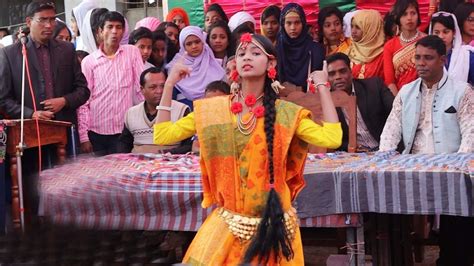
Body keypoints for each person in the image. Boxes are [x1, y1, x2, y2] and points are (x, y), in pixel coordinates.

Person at [153, 32, 341, 264]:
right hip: (229, 227)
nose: (246, 57)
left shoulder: (285, 114)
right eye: (241, 53)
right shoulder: (213, 112)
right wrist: (169, 83)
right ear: (234, 64)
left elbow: (332, 138)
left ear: (271, 63)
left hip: (274, 229)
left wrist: (322, 85)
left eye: (255, 53)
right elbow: (162, 135)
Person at [379, 35, 473, 266]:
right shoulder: (406, 92)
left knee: (460, 205)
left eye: (428, 58)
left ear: (442, 60)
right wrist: (384, 159)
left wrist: (456, 170)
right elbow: (391, 130)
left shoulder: (463, 91)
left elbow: (470, 134)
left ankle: (452, 260)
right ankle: (396, 259)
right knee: (385, 204)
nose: (421, 63)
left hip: (452, 167)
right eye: (418, 57)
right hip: (414, 167)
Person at [0, 0, 89, 150]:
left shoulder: (67, 50)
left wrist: (64, 101)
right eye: (42, 20)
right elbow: (3, 99)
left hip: (63, 132)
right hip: (28, 134)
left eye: (52, 19)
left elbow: (83, 91)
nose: (49, 25)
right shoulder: (10, 54)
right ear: (29, 22)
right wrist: (31, 114)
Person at [78, 11, 144, 156]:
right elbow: (84, 101)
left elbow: (141, 88)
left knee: (122, 174)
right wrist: (83, 136)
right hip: (96, 131)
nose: (114, 31)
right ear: (100, 31)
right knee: (98, 175)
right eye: (110, 27)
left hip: (123, 130)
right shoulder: (89, 62)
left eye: (119, 27)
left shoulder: (132, 53)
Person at [327, 53, 394, 152]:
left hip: (386, 149)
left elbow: (396, 114)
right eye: (332, 74)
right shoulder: (327, 102)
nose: (338, 77)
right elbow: (331, 138)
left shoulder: (374, 86)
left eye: (342, 71)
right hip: (356, 156)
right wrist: (350, 146)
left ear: (350, 72)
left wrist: (387, 146)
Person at [119, 67, 190, 154]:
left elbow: (189, 146)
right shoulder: (131, 113)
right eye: (153, 87)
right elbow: (124, 145)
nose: (159, 91)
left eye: (163, 86)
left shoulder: (182, 110)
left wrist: (163, 154)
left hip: (170, 163)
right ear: (142, 89)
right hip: (138, 164)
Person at [166, 26, 225, 106]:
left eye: (197, 42)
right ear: (183, 46)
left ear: (202, 42)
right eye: (189, 44)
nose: (194, 46)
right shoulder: (176, 67)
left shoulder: (214, 65)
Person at [276, 3, 325, 91]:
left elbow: (321, 82)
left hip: (310, 100)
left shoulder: (316, 50)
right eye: (288, 23)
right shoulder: (276, 50)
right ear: (283, 24)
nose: (293, 28)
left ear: (303, 23)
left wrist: (298, 89)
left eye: (297, 22)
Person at [383, 0, 426, 94]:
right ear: (398, 18)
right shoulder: (389, 46)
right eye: (404, 14)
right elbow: (390, 82)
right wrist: (400, 103)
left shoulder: (427, 41)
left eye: (413, 13)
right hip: (399, 98)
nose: (409, 18)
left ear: (418, 15)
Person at [430, 11, 474, 84]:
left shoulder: (467, 55)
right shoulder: (426, 57)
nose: (441, 36)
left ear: (454, 33)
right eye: (437, 33)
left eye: (446, 32)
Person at [348, 9, 385, 81]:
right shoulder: (349, 51)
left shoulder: (383, 55)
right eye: (352, 26)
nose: (353, 31)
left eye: (358, 27)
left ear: (371, 29)